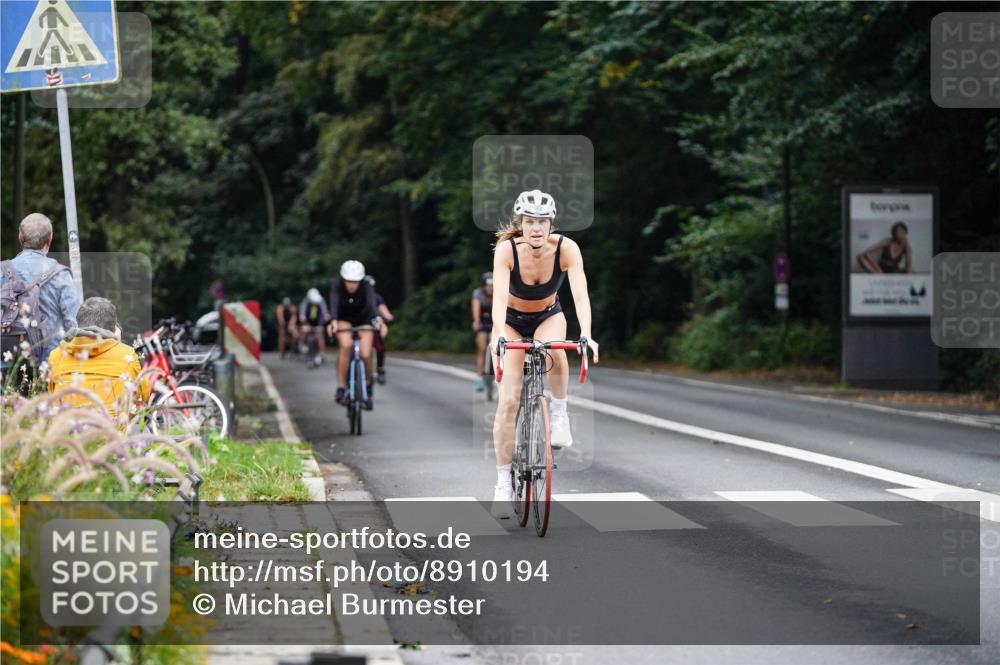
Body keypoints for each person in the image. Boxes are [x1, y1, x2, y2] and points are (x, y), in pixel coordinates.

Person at [488, 190, 599, 515]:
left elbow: (580, 295)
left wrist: (587, 334)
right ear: (520, 223)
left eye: (542, 221)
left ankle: (559, 413)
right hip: (509, 321)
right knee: (509, 402)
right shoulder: (507, 251)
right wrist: (498, 335)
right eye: (530, 221)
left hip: (547, 315)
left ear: (551, 224)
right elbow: (498, 300)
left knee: (556, 351)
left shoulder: (566, 249)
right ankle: (503, 483)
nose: (536, 228)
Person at [1, 213, 80, 388]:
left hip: (6, 363)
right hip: (48, 365)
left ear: (20, 237)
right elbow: (73, 325)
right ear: (49, 240)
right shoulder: (61, 275)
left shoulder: (2, 271)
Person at [47, 297, 150, 420]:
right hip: (112, 429)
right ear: (114, 329)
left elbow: (50, 397)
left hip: (66, 428)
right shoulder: (127, 356)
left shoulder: (56, 356)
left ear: (78, 326)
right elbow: (143, 396)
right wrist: (118, 343)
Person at [326, 260, 380, 409]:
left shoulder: (367, 285)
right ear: (343, 279)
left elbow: (372, 305)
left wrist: (376, 321)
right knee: (345, 345)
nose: (352, 285)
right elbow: (334, 304)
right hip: (344, 319)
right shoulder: (337, 285)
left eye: (355, 282)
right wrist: (334, 321)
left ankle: (368, 387)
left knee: (365, 353)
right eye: (348, 281)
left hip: (364, 319)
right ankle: (341, 387)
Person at [365, 276, 394, 385]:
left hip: (374, 324)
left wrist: (387, 315)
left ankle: (380, 368)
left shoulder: (376, 297)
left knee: (379, 347)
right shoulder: (356, 297)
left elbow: (382, 308)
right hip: (360, 325)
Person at [471, 272, 494, 392]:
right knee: (482, 348)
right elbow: (476, 309)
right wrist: (476, 321)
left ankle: (497, 371)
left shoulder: (499, 293)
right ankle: (479, 377)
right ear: (484, 286)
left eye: (492, 286)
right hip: (483, 322)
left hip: (495, 322)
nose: (490, 288)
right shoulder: (478, 294)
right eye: (488, 286)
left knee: (497, 346)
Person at [298, 288, 328, 365]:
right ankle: (304, 345)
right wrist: (304, 321)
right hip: (308, 322)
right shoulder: (305, 302)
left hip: (318, 323)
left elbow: (324, 314)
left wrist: (322, 323)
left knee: (320, 335)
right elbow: (302, 314)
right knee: (304, 331)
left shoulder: (321, 301)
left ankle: (322, 353)